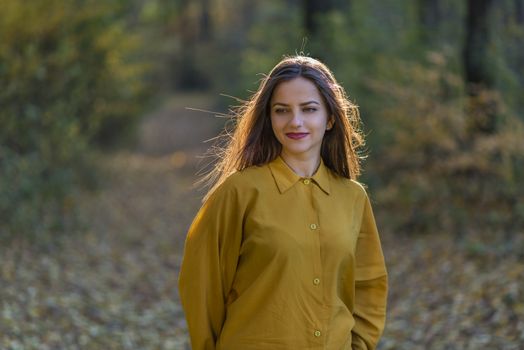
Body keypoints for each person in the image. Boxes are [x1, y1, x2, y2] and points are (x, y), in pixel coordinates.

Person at [178, 55, 387, 350]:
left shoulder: (353, 197)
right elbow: (201, 287)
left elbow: (369, 285)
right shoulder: (239, 191)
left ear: (329, 118)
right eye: (282, 110)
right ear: (270, 118)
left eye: (309, 109)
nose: (295, 121)